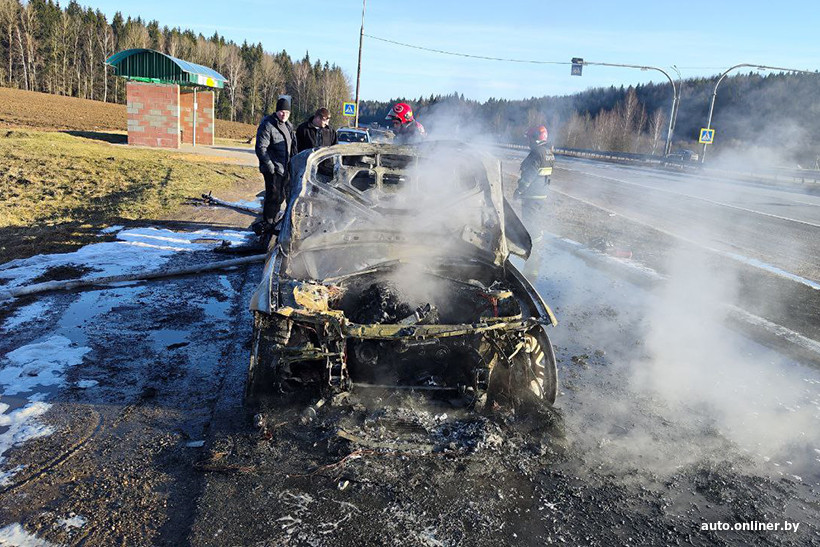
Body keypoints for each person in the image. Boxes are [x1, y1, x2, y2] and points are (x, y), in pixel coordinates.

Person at [515, 125, 554, 277]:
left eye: (529, 138)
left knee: (530, 222)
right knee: (536, 221)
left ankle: (534, 250)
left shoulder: (536, 153)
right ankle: (537, 246)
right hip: (542, 195)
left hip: (532, 195)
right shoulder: (549, 153)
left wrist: (519, 191)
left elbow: (528, 177)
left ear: (535, 138)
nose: (528, 142)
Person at [255, 96, 297, 233]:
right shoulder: (268, 124)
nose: (284, 114)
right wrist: (271, 167)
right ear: (277, 111)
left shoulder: (288, 125)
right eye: (282, 111)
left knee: (280, 197)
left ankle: (273, 223)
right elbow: (261, 148)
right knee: (272, 197)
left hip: (284, 168)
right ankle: (267, 225)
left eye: (287, 112)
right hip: (273, 169)